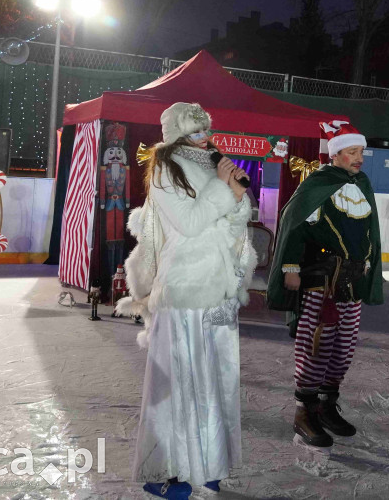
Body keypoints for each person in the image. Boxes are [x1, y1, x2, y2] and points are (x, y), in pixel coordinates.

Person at [115, 102, 257, 499]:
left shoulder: (212, 165)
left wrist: (236, 194)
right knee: (178, 382)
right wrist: (222, 187)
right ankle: (165, 470)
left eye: (206, 130)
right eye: (195, 131)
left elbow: (232, 220)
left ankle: (207, 464)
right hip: (185, 288)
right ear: (178, 134)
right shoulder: (166, 168)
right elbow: (191, 223)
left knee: (215, 383)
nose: (204, 138)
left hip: (219, 289)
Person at [266, 120, 383, 449]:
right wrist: (290, 267)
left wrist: (368, 262)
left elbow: (370, 230)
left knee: (343, 348)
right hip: (321, 282)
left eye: (360, 152)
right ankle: (304, 411)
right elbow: (294, 225)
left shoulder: (362, 184)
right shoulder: (318, 184)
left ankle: (326, 406)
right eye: (352, 152)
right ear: (336, 154)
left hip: (352, 282)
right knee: (316, 346)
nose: (358, 158)